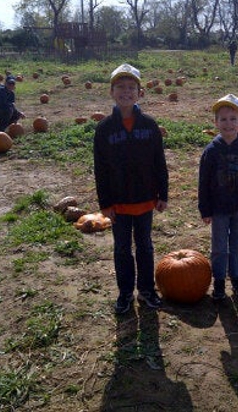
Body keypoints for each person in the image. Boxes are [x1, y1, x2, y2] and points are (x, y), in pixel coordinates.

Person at [93, 63, 169, 314]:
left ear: (140, 93)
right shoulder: (104, 129)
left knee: (145, 246)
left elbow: (159, 161)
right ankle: (125, 292)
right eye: (120, 87)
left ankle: (146, 290)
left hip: (146, 199)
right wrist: (105, 204)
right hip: (119, 203)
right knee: (122, 249)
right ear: (112, 92)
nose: (126, 92)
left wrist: (163, 193)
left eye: (131, 87)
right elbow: (101, 169)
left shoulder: (149, 125)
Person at [198, 94, 238, 300]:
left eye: (233, 119)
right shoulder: (211, 151)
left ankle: (236, 277)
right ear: (215, 123)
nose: (228, 124)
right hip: (218, 208)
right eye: (223, 119)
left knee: (237, 245)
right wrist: (205, 209)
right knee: (219, 246)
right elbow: (204, 183)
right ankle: (218, 280)